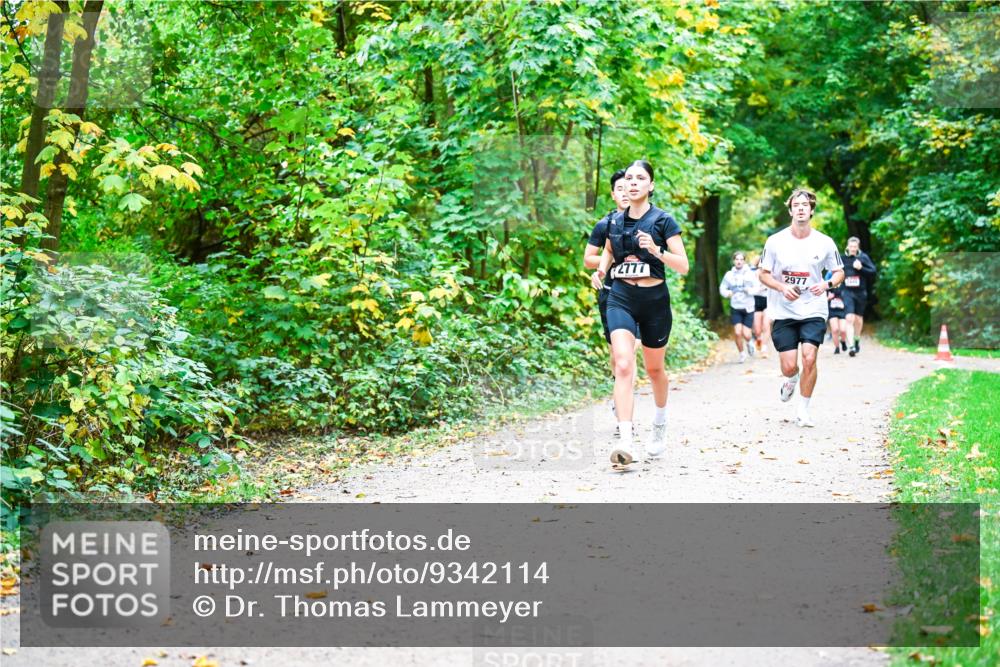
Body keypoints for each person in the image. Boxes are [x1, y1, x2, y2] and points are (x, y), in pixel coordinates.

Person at [596, 160, 688, 461]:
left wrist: (656, 250)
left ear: (651, 186)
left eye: (641, 178)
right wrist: (601, 270)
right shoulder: (613, 221)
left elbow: (683, 266)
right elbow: (608, 251)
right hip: (620, 296)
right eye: (629, 178)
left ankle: (659, 423)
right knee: (622, 364)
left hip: (654, 301)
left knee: (654, 369)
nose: (633, 183)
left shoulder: (663, 221)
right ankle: (625, 440)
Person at [758, 188, 844, 427]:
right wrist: (781, 287)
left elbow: (839, 272)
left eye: (805, 204)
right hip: (783, 310)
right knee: (789, 366)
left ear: (812, 210)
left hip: (813, 309)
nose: (801, 208)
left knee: (809, 357)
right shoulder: (775, 241)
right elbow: (762, 274)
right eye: (796, 204)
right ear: (790, 210)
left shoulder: (824, 242)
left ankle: (803, 409)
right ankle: (791, 379)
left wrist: (826, 284)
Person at [583, 169, 640, 435]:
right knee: (617, 356)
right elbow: (588, 259)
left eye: (628, 186)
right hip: (611, 293)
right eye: (619, 188)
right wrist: (611, 261)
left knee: (631, 352)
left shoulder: (648, 220)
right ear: (613, 193)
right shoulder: (605, 225)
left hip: (641, 294)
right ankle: (620, 392)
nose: (625, 192)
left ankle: (625, 414)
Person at [840, 236, 876, 357]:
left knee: (858, 319)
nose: (853, 249)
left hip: (860, 292)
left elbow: (873, 272)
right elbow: (836, 272)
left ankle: (856, 340)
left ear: (858, 247)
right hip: (847, 291)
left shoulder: (863, 257)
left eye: (855, 247)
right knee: (849, 318)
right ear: (847, 246)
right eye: (851, 246)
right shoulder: (842, 258)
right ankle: (851, 346)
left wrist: (861, 268)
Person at [719, 252, 756, 362]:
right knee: (737, 332)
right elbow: (722, 288)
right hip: (735, 307)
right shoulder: (729, 275)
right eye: (737, 259)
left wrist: (749, 290)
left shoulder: (750, 274)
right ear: (734, 261)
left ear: (744, 261)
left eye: (741, 259)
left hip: (748, 307)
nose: (739, 261)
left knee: (746, 334)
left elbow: (757, 287)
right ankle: (741, 354)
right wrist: (727, 293)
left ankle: (749, 342)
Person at [748, 254, 772, 356]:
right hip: (756, 301)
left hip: (768, 301)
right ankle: (758, 342)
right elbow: (750, 289)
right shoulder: (753, 274)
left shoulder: (772, 274)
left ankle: (764, 348)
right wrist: (759, 288)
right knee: (757, 330)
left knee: (766, 326)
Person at [825, 269, 848, 354]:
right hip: (832, 310)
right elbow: (822, 300)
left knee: (843, 330)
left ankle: (843, 341)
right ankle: (837, 347)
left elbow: (848, 297)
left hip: (842, 310)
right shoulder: (828, 286)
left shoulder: (844, 286)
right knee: (835, 329)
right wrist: (828, 298)